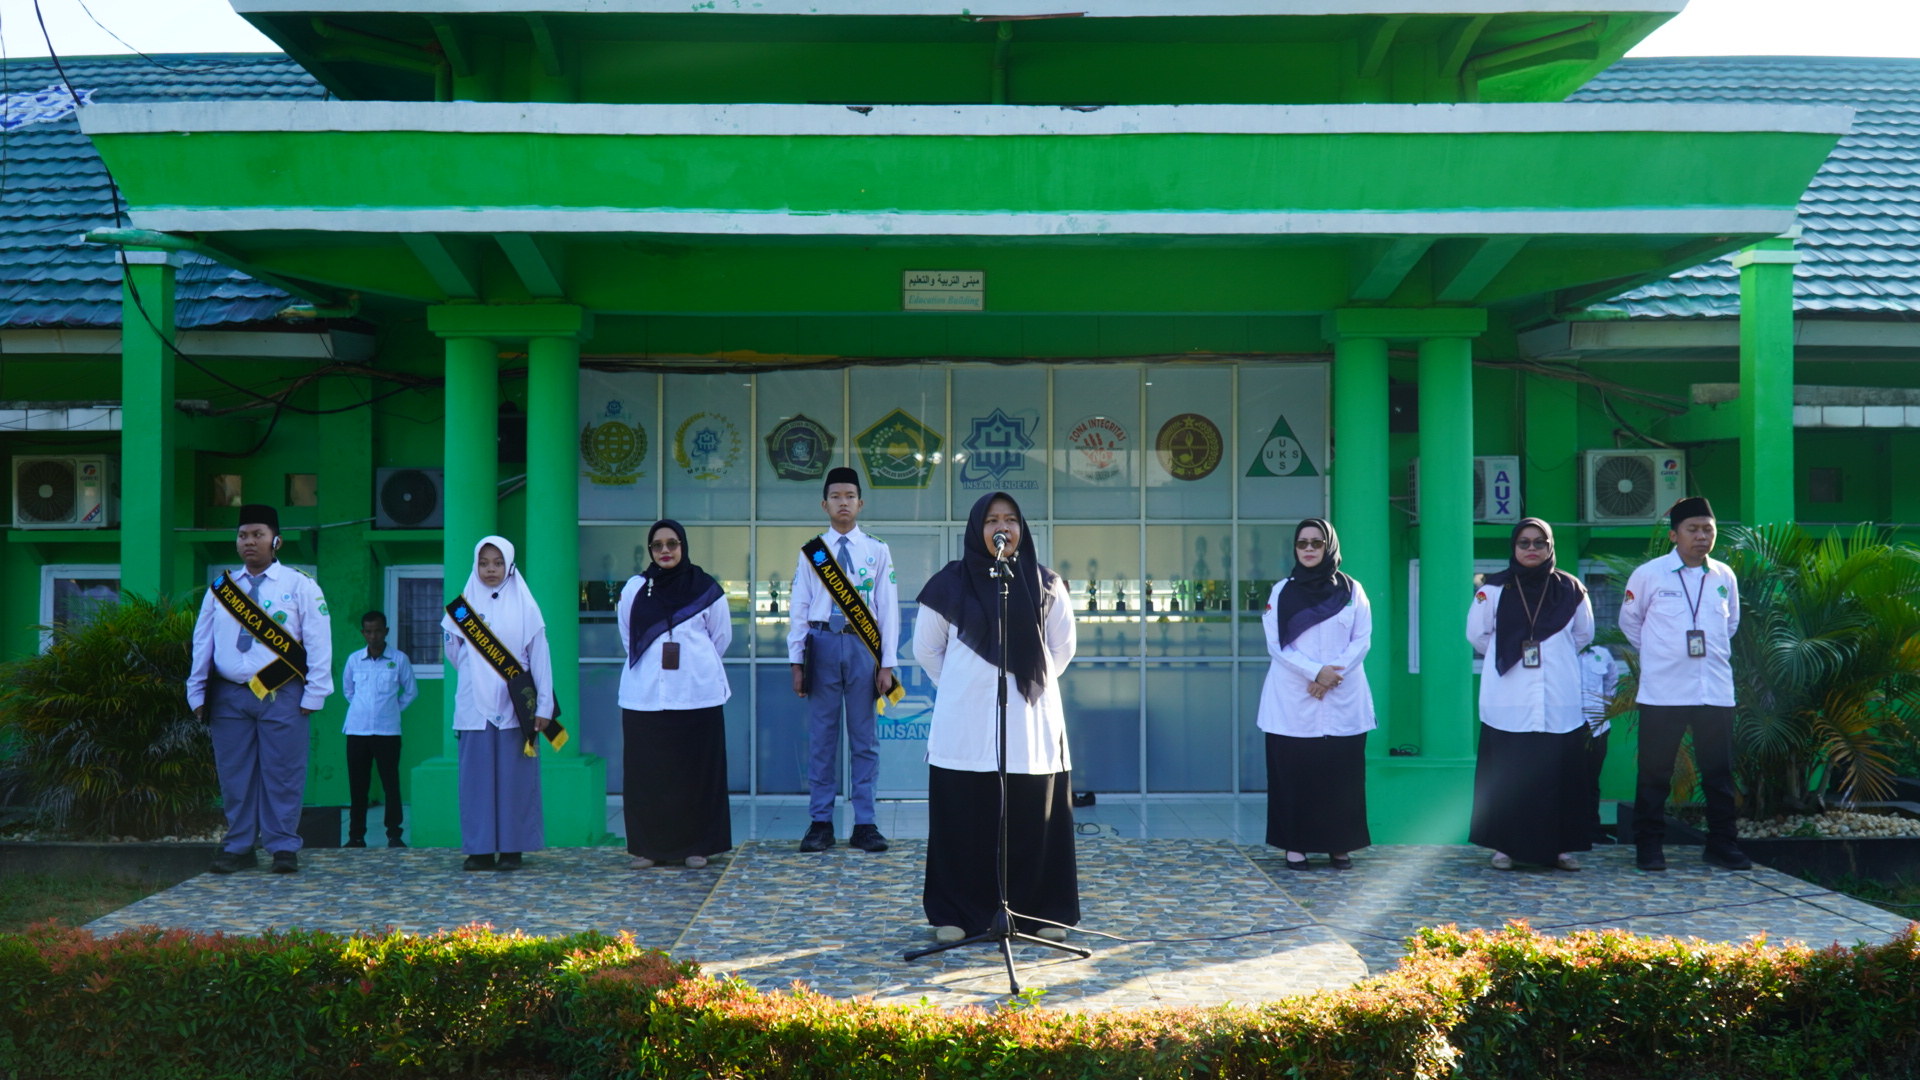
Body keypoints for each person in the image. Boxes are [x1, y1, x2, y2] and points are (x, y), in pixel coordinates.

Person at [913, 491, 1078, 944]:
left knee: (1032, 819)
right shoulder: (947, 585)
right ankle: (958, 913)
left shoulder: (1047, 585)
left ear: (1021, 530)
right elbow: (926, 650)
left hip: (1031, 724)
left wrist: (1021, 685)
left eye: (1010, 520)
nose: (1000, 528)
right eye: (991, 520)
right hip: (964, 726)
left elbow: (1062, 651)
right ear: (976, 529)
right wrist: (968, 685)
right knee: (964, 819)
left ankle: (1042, 912)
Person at [186, 504, 333, 875]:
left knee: (283, 772)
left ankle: (282, 846)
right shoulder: (221, 589)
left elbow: (318, 642)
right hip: (229, 695)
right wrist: (197, 693)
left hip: (282, 692)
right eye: (243, 535)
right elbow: (202, 643)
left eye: (258, 535)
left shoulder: (300, 585)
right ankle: (238, 847)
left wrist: (315, 692)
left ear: (276, 540)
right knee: (234, 774)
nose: (249, 542)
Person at [1618, 497, 1751, 872]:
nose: (1701, 536)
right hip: (1664, 692)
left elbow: (1730, 625)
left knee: (1719, 774)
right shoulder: (1649, 574)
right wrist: (1663, 656)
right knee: (1655, 773)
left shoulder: (1724, 576)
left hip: (1715, 690)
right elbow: (1631, 624)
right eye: (1692, 529)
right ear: (1675, 535)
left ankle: (1722, 844)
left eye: (1708, 529)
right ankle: (1648, 846)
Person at [1467, 517, 1596, 871]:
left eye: (1539, 542)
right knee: (1509, 776)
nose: (1532, 549)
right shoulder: (1492, 589)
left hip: (1558, 699)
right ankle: (1504, 848)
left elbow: (1583, 635)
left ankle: (1561, 849)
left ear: (1550, 546)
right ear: (1514, 547)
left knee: (1559, 777)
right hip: (1509, 698)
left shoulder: (1571, 589)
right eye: (1524, 543)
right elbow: (1477, 635)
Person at [787, 465, 899, 854]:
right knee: (822, 738)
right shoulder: (813, 551)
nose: (843, 502)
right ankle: (820, 822)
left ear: (861, 503)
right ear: (824, 504)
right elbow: (798, 606)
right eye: (836, 496)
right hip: (821, 644)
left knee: (864, 739)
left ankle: (865, 824)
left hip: (862, 648)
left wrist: (887, 663)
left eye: (850, 496)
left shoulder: (878, 550)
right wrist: (796, 661)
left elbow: (888, 609)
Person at [1258, 518, 1374, 871]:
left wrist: (1330, 675)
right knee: (1294, 774)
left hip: (1342, 694)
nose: (1309, 549)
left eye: (1316, 543)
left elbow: (1362, 639)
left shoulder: (1354, 590)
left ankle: (1340, 846)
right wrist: (1314, 672)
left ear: (1329, 547)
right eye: (1302, 543)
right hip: (1293, 697)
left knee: (1341, 775)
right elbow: (1277, 645)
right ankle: (1295, 846)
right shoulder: (1281, 591)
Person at [618, 520, 733, 870]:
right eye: (657, 545)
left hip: (697, 695)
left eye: (672, 543)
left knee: (697, 774)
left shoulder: (707, 588)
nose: (665, 550)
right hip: (645, 696)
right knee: (648, 776)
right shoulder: (635, 588)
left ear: (683, 546)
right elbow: (627, 636)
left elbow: (721, 639)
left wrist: (691, 668)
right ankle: (649, 848)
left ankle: (698, 845)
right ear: (650, 550)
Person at [442, 535, 554, 872]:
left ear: (509, 565)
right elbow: (454, 654)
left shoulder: (526, 605)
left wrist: (544, 706)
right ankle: (478, 850)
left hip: (514, 706)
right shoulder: (461, 608)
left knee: (514, 780)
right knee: (475, 780)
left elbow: (540, 657)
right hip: (473, 706)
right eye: (484, 563)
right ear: (475, 565)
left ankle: (511, 849)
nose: (491, 569)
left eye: (498, 563)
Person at [340, 610, 418, 848]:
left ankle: (394, 835)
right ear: (363, 633)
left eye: (377, 631)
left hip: (387, 732)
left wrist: (391, 709)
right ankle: (356, 836)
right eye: (368, 631)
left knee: (390, 785)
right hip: (357, 731)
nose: (373, 636)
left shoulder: (399, 659)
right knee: (358, 786)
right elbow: (348, 691)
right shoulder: (354, 660)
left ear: (386, 631)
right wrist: (363, 710)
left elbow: (411, 691)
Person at [1580, 643, 1622, 844]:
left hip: (1597, 727)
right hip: (1567, 726)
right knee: (1564, 780)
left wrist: (1606, 706)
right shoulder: (1560, 653)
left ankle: (1591, 830)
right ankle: (1566, 831)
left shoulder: (1601, 654)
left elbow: (1612, 679)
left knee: (1591, 781)